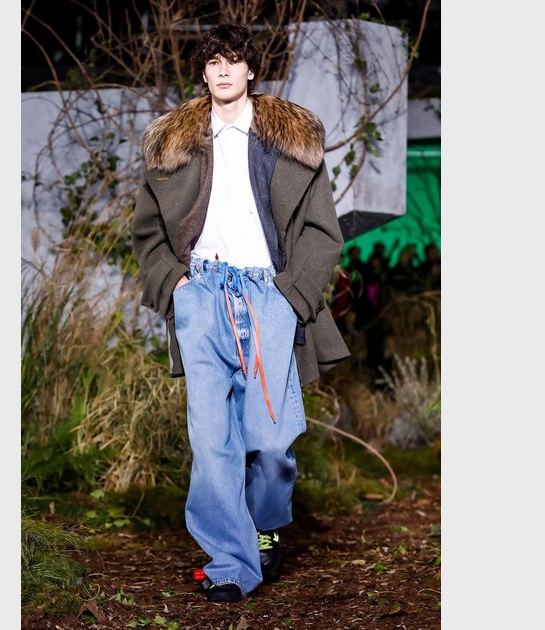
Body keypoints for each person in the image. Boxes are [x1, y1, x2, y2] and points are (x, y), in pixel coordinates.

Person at [131, 23, 350, 603]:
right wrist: (176, 286)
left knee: (272, 442)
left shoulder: (291, 139)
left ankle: (265, 524)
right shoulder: (174, 143)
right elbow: (147, 233)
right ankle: (230, 560)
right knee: (211, 442)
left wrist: (292, 295)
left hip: (268, 296)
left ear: (251, 69)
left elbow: (322, 231)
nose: (223, 70)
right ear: (203, 73)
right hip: (201, 297)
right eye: (213, 62)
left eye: (233, 60)